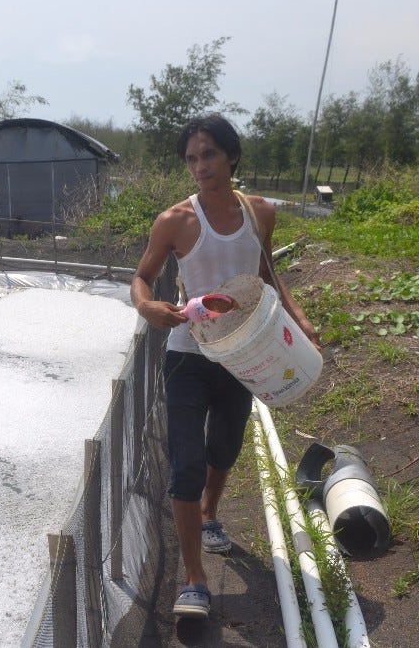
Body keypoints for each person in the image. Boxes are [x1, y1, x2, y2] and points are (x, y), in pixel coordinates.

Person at [129, 114, 320, 620]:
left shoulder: (260, 213)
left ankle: (211, 511)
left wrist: (299, 320)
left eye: (209, 154)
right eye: (191, 158)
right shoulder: (175, 221)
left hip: (244, 352)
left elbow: (266, 276)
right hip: (188, 352)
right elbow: (142, 278)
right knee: (186, 460)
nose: (199, 166)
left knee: (226, 444)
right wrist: (148, 307)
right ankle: (194, 580)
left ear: (232, 156)